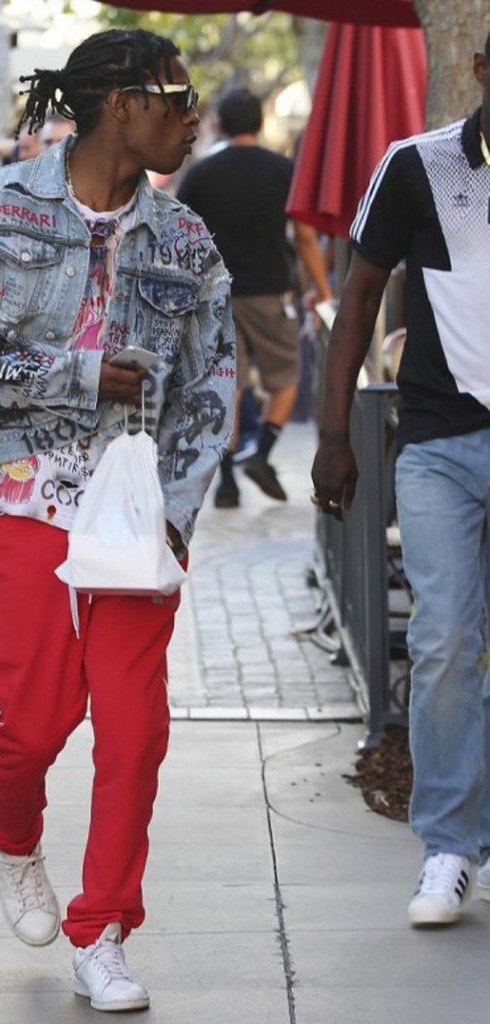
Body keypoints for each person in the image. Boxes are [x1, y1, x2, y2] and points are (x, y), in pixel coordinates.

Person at [0, 28, 234, 1011]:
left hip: (136, 521)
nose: (191, 116)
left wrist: (178, 514)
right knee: (39, 718)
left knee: (135, 730)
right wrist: (75, 373)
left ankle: (104, 930)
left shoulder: (185, 240)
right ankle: (10, 831)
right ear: (116, 104)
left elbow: (214, 380)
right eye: (175, 97)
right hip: (23, 497)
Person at [311, 34, 490, 928]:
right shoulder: (417, 167)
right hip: (438, 441)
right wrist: (334, 434)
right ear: (483, 74)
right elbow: (359, 298)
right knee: (446, 640)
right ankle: (450, 847)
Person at [178, 86, 331, 508]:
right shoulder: (283, 170)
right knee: (287, 378)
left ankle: (226, 483)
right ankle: (261, 453)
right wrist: (322, 287)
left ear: (220, 124)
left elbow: (182, 236)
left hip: (216, 296)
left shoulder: (202, 172)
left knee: (232, 386)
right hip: (270, 292)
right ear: (261, 124)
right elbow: (304, 236)